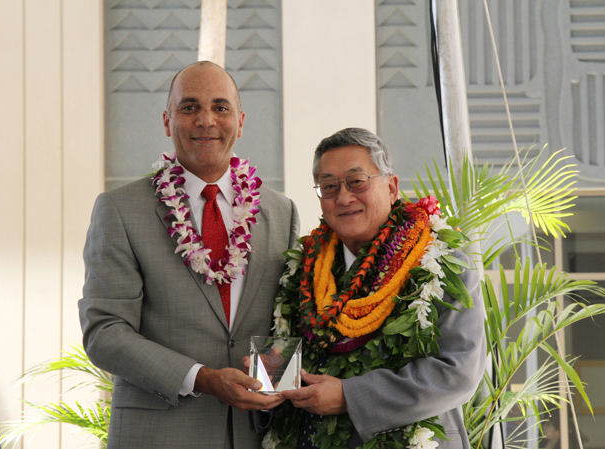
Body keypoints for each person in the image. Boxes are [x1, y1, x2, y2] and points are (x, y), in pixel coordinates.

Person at [78, 61, 299, 449]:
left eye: (220, 107)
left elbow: (289, 321)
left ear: (241, 121)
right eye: (190, 107)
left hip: (257, 435)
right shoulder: (120, 209)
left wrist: (277, 371)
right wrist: (204, 378)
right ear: (168, 121)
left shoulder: (281, 212)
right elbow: (105, 333)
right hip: (160, 436)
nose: (206, 120)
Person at [267, 128, 486, 449]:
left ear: (392, 186)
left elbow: (457, 374)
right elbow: (292, 356)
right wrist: (270, 375)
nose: (343, 197)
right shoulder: (303, 267)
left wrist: (348, 396)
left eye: (357, 181)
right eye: (329, 186)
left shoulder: (441, 261)